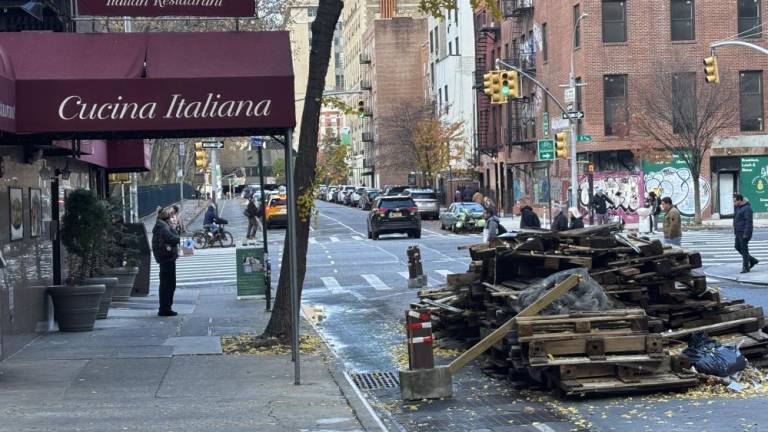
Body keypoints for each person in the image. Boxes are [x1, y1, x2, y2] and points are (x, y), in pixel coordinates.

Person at [152, 207, 180, 317]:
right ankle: (165, 308)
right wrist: (173, 227)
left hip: (165, 258)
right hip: (167, 258)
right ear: (167, 217)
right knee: (168, 284)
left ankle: (166, 307)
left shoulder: (160, 226)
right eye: (170, 215)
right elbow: (175, 238)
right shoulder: (163, 227)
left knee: (167, 283)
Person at [733, 194, 758, 273]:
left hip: (744, 233)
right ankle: (753, 260)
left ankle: (746, 267)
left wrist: (746, 234)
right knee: (737, 247)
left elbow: (749, 222)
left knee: (744, 250)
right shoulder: (737, 207)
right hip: (738, 232)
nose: (733, 202)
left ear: (740, 200)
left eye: (735, 201)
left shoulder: (747, 209)